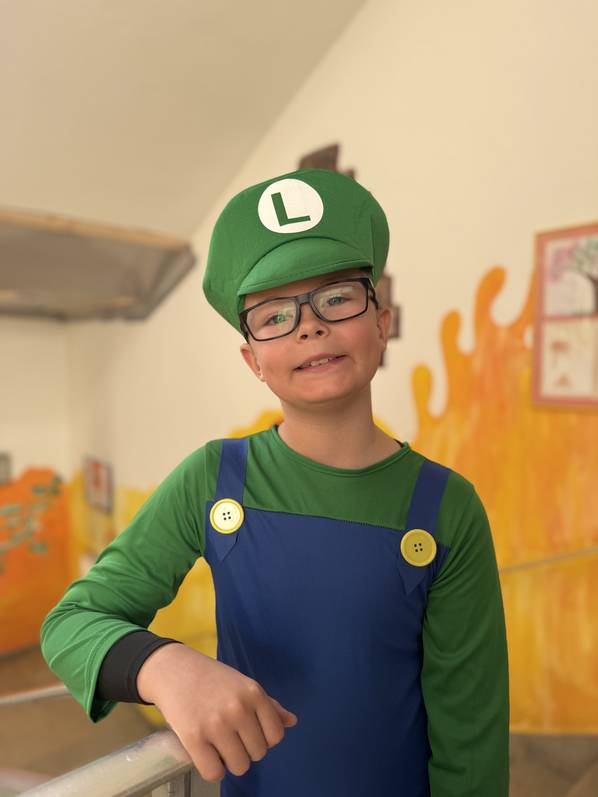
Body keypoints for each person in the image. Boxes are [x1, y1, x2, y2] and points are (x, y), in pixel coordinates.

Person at [40, 167, 509, 796]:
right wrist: (164, 665)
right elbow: (72, 623)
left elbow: (471, 736)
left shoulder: (448, 506)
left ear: (381, 321)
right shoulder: (213, 478)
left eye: (336, 298)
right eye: (274, 315)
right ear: (253, 360)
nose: (310, 326)